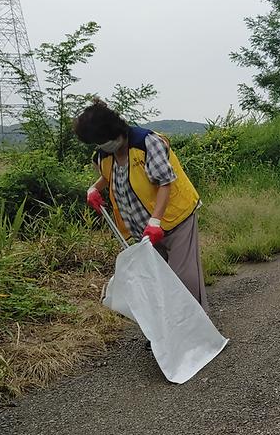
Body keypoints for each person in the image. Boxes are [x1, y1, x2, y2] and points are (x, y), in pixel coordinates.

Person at [74, 100, 207, 309]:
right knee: (159, 278)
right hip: (141, 228)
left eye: (103, 140)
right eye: (97, 142)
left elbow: (164, 182)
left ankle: (194, 325)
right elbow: (109, 175)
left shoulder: (146, 143)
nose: (102, 145)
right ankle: (166, 326)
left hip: (175, 217)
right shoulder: (103, 155)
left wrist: (156, 221)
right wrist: (94, 189)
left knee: (183, 277)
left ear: (114, 130)